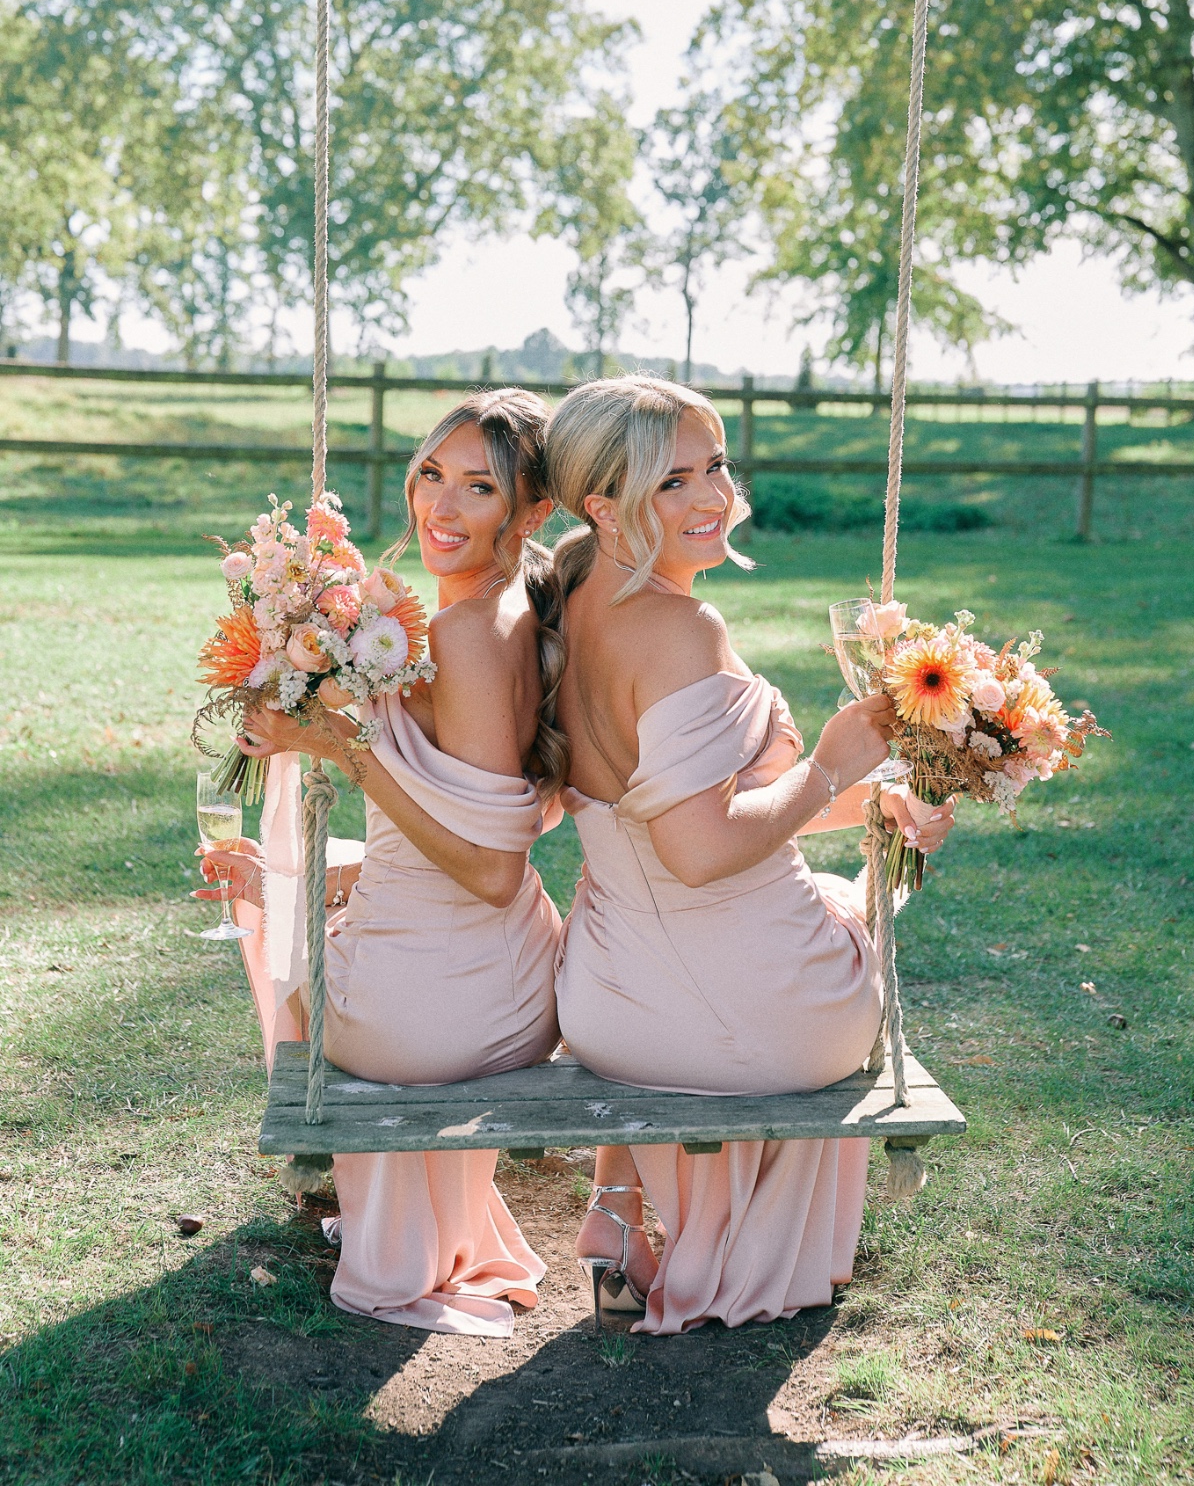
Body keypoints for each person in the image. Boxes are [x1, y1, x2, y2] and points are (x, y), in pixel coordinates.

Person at [544, 376, 955, 1336]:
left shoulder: (570, 602)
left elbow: (680, 816)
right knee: (856, 917)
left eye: (716, 466)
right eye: (672, 482)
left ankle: (617, 1216)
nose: (712, 498)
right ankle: (731, 1247)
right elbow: (700, 850)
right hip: (754, 1020)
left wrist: (873, 799)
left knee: (840, 883)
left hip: (611, 1009)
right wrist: (828, 768)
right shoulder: (685, 628)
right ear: (604, 506)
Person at [196, 389, 566, 1337]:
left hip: (445, 1011)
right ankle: (409, 1218)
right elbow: (511, 809)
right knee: (292, 897)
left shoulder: (467, 637)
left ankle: (394, 1229)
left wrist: (343, 750)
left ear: (532, 513)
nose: (440, 509)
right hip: (509, 978)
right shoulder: (507, 613)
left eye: (478, 488)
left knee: (280, 949)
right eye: (431, 475)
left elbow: (488, 869)